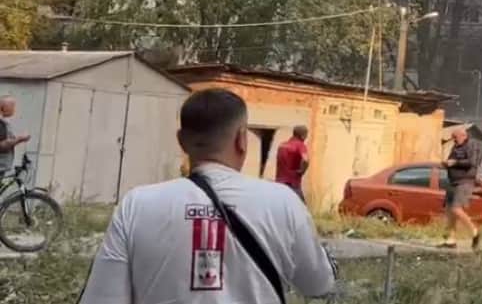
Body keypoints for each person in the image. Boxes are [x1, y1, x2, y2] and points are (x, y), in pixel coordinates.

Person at [80, 89, 335, 303]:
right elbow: (319, 284)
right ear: (242, 140)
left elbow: (103, 298)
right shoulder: (284, 202)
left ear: (181, 141)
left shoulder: (136, 205)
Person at [439, 128, 481, 250]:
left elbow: (471, 162)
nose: (454, 140)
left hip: (464, 181)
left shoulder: (471, 145)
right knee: (449, 210)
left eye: (455, 137)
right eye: (453, 137)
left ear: (463, 135)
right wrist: (446, 164)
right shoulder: (455, 147)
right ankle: (450, 240)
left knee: (456, 209)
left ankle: (475, 231)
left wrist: (455, 162)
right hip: (453, 181)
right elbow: (451, 161)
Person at [274, 125, 310, 200]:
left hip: (279, 182)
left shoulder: (282, 145)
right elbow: (306, 160)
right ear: (302, 135)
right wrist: (302, 171)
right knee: (300, 205)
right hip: (292, 183)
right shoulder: (300, 145)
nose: (306, 137)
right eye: (306, 135)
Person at [0, 96, 30, 174]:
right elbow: (2, 145)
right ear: (4, 108)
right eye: (12, 106)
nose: (14, 109)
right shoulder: (1, 123)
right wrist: (19, 139)